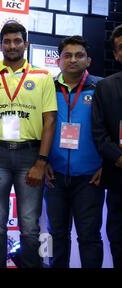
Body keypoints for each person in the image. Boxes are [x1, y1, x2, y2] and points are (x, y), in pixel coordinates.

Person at [0, 22, 57, 268]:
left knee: (29, 226)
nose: (12, 46)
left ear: (25, 44)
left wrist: (41, 162)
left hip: (30, 155)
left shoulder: (42, 77)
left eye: (17, 41)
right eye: (7, 41)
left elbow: (49, 120)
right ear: (0, 45)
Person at [45, 36, 104, 268]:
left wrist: (104, 165)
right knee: (55, 235)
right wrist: (42, 162)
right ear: (58, 61)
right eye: (67, 55)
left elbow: (112, 128)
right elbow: (38, 129)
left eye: (79, 55)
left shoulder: (101, 88)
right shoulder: (46, 88)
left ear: (88, 60)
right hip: (54, 176)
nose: (73, 60)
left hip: (90, 178)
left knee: (89, 238)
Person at [92, 24, 122, 268]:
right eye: (121, 48)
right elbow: (99, 133)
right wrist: (118, 157)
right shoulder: (105, 87)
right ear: (116, 54)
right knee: (118, 239)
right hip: (119, 177)